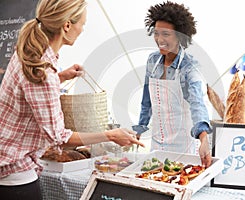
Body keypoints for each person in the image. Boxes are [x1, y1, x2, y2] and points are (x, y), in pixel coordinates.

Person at [0, 0, 144, 199]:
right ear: (67, 25)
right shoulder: (42, 72)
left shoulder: (28, 52)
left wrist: (61, 77)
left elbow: (26, 90)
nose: (82, 29)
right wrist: (111, 135)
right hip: (15, 178)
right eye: (82, 24)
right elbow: (60, 138)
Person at [133, 1, 212, 168]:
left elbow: (198, 103)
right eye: (156, 33)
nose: (159, 39)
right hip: (157, 145)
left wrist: (204, 138)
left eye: (166, 34)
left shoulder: (190, 67)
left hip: (184, 148)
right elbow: (147, 101)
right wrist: (140, 128)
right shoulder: (152, 60)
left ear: (180, 36)